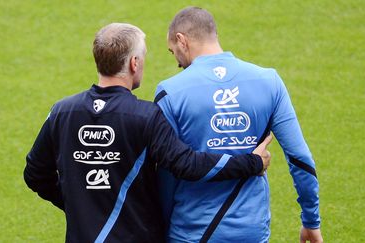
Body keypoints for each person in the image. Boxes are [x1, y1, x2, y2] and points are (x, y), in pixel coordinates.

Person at [23, 23, 273, 243]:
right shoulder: (145, 116)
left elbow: (35, 174)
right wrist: (251, 162)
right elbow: (188, 164)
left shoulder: (62, 112)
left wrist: (76, 204)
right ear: (134, 63)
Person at [155, 7, 323, 243]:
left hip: (191, 233)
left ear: (181, 41)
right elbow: (299, 157)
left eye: (172, 52)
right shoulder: (269, 81)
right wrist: (311, 221)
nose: (176, 62)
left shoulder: (170, 91)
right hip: (250, 232)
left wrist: (161, 229)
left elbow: (166, 171)